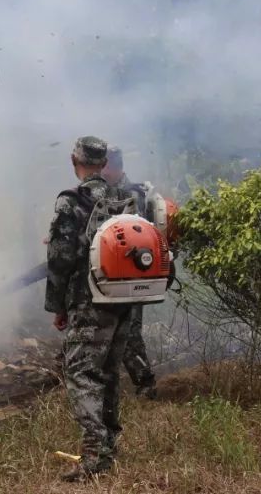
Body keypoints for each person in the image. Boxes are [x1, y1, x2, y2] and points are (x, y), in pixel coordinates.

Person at [45, 136, 132, 481]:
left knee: (81, 372)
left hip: (89, 298)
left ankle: (94, 454)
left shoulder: (72, 201)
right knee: (108, 370)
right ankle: (109, 443)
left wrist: (57, 305)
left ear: (74, 160)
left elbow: (60, 258)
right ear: (104, 162)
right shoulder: (124, 198)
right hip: (123, 297)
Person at [103, 145, 157, 399]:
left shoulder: (133, 195)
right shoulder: (106, 192)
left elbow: (127, 235)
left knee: (129, 332)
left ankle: (146, 384)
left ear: (110, 167)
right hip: (112, 275)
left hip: (133, 277)